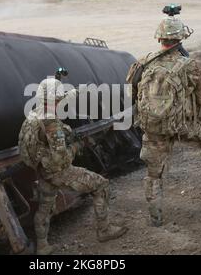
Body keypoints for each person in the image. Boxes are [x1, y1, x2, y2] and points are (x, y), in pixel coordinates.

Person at [132, 16, 201, 227]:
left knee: (154, 173)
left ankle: (155, 218)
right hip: (183, 125)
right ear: (180, 38)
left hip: (154, 128)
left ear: (160, 38)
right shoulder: (191, 65)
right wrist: (196, 116)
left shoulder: (142, 62)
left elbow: (133, 93)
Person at [18, 77, 127, 255]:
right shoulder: (52, 124)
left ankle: (43, 246)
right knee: (101, 185)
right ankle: (105, 230)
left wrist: (78, 90)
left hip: (43, 170)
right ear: (55, 99)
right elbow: (62, 159)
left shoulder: (33, 114)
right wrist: (78, 145)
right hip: (58, 170)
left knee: (45, 208)